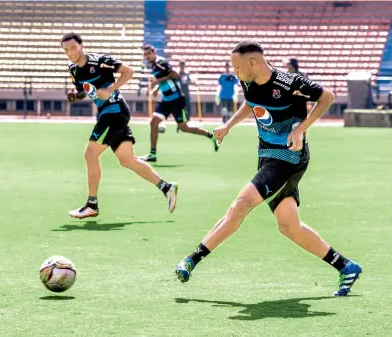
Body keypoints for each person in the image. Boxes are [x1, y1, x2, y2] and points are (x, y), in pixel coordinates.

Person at [175, 40, 362, 297]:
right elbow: (252, 103)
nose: (234, 71)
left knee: (241, 203)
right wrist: (229, 125)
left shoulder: (290, 83)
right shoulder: (249, 82)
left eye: (237, 66)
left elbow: (326, 97)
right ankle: (346, 266)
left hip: (288, 157)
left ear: (253, 62)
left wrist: (300, 128)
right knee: (288, 226)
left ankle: (192, 259)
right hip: (266, 156)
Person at [62, 33, 178, 218]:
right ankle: (167, 187)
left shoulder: (100, 61)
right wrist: (74, 96)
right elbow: (84, 92)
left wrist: (110, 89)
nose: (70, 53)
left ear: (82, 45)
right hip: (109, 114)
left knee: (90, 154)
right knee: (127, 160)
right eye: (66, 50)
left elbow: (128, 71)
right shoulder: (73, 70)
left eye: (73, 48)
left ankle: (92, 204)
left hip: (114, 112)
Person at [139, 45, 218, 163]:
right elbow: (167, 79)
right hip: (166, 100)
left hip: (176, 100)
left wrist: (157, 81)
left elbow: (175, 75)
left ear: (154, 52)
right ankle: (152, 154)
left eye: (148, 53)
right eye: (145, 54)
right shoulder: (154, 65)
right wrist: (157, 89)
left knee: (184, 128)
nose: (146, 56)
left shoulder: (161, 62)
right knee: (153, 122)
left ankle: (210, 135)